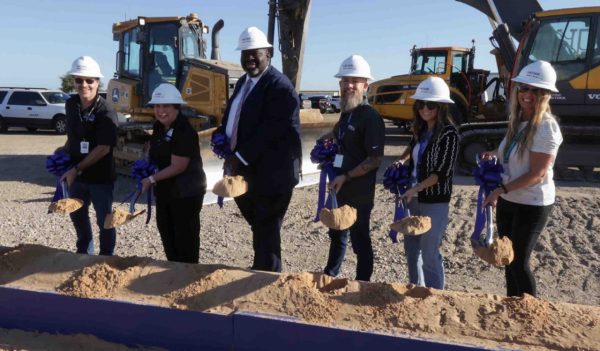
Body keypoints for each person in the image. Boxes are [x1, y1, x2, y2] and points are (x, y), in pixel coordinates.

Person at [214, 26, 301, 272]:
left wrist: (237, 156)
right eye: (245, 53)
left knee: (267, 227)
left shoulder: (280, 88)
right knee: (260, 227)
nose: (249, 58)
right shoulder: (244, 81)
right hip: (248, 171)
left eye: (255, 53)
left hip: (273, 174)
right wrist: (222, 136)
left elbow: (270, 131)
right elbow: (233, 115)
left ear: (269, 53)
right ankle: (259, 270)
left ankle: (268, 278)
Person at [483, 60, 563, 297]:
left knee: (519, 262)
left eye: (535, 90)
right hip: (510, 199)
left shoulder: (546, 127)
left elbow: (537, 173)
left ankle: (530, 312)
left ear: (546, 94)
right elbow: (508, 152)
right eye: (524, 88)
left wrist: (500, 190)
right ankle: (512, 308)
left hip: (532, 204)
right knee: (507, 259)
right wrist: (492, 155)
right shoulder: (518, 122)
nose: (527, 94)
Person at [322, 55, 385, 282]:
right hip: (340, 188)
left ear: (365, 85)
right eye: (345, 80)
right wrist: (323, 145)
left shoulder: (370, 117)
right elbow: (340, 136)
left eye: (354, 81)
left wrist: (346, 175)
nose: (349, 85)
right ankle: (330, 275)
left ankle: (363, 284)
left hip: (358, 192)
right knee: (337, 234)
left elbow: (375, 158)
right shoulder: (347, 112)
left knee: (360, 241)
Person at [395, 77, 459, 289]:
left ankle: (435, 295)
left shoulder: (449, 134)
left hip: (434, 201)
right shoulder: (420, 130)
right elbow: (412, 147)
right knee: (412, 249)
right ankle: (415, 289)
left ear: (440, 107)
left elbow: (441, 172)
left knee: (430, 250)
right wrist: (402, 160)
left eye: (430, 104)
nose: (424, 109)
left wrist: (416, 188)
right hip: (413, 198)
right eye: (420, 104)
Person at [141, 83, 207, 264]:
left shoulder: (184, 131)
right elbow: (154, 150)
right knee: (167, 234)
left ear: (176, 107)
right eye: (157, 106)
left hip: (186, 193)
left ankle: (187, 279)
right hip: (166, 191)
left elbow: (178, 166)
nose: (161, 111)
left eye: (166, 106)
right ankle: (173, 272)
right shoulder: (159, 127)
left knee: (185, 239)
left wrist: (151, 178)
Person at [59, 56, 118, 255]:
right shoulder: (71, 105)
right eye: (79, 80)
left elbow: (103, 148)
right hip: (77, 176)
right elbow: (73, 137)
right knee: (77, 216)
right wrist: (62, 153)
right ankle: (84, 254)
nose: (84, 85)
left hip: (99, 177)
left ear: (97, 82)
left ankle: (106, 259)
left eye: (89, 80)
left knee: (105, 220)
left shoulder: (106, 111)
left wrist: (76, 169)